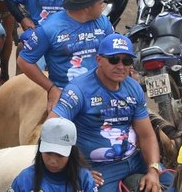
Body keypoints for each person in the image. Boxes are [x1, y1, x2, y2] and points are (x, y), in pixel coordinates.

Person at [52, 34, 163, 192]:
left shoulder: (134, 88)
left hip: (135, 159)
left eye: (126, 61)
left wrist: (153, 170)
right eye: (113, 59)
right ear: (98, 60)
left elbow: (147, 135)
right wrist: (75, 168)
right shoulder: (78, 90)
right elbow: (52, 127)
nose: (120, 66)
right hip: (99, 167)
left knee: (178, 183)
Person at [18, 0, 115, 116]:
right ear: (87, 7)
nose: (104, 6)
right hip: (67, 97)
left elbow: (113, 52)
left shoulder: (103, 22)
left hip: (102, 91)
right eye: (101, 2)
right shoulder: (50, 28)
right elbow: (24, 61)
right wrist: (51, 89)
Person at [10, 117, 96, 192]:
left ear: (71, 153)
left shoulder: (84, 179)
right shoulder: (24, 179)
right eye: (48, 153)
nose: (52, 161)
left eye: (60, 155)